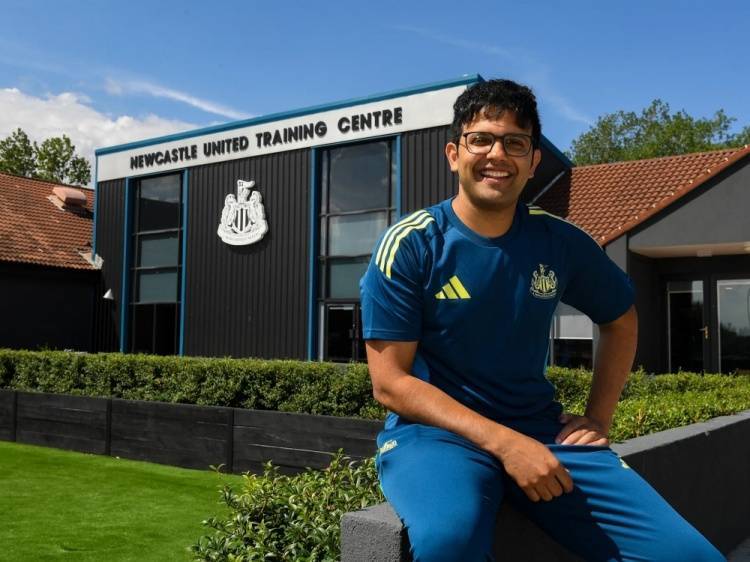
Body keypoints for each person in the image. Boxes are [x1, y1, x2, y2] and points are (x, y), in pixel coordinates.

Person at [359, 79, 724, 562]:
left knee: (689, 556)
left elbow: (621, 319)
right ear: (453, 154)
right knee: (450, 542)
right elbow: (390, 383)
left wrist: (598, 418)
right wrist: (506, 444)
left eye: (515, 143)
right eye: (481, 139)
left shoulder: (560, 241)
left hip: (542, 431)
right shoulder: (411, 244)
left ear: (533, 162)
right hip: (433, 438)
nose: (497, 154)